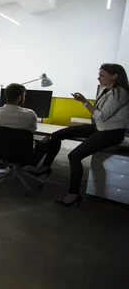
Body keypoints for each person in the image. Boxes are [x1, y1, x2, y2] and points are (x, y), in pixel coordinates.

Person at [33, 63, 129, 207]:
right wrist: (85, 103)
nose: (98, 78)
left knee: (74, 156)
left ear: (115, 76)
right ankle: (46, 166)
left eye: (102, 75)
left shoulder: (119, 92)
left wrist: (84, 102)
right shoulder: (106, 89)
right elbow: (98, 115)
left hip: (111, 132)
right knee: (57, 135)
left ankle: (73, 194)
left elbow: (102, 116)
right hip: (99, 127)